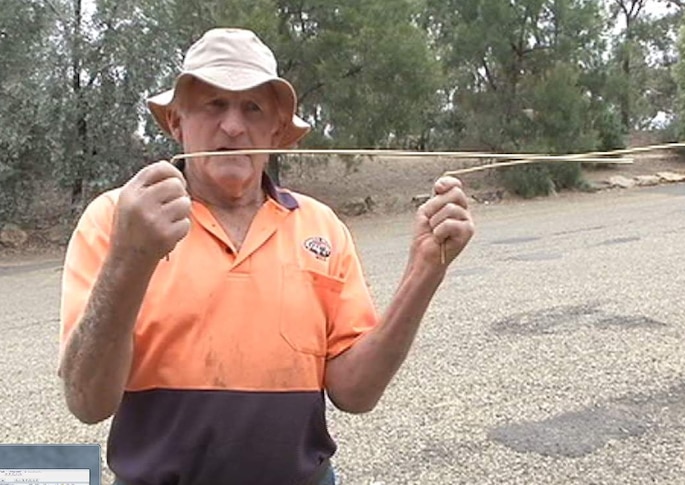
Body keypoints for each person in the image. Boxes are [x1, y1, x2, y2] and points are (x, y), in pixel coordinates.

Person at [57, 28, 474, 485]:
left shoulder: (321, 226)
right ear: (177, 122)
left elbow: (356, 393)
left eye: (252, 108)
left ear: (276, 130)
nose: (234, 126)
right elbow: (87, 403)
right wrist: (131, 256)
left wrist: (425, 270)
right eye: (213, 104)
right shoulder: (116, 218)